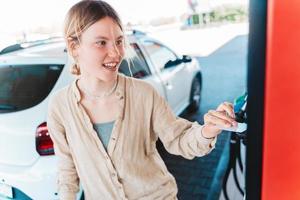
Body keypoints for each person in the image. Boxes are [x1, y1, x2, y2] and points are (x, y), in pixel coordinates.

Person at [47, 1, 238, 199]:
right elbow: (67, 175)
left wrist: (208, 130)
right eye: (101, 42)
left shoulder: (143, 94)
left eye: (119, 41)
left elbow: (179, 139)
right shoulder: (60, 106)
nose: (115, 53)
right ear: (74, 46)